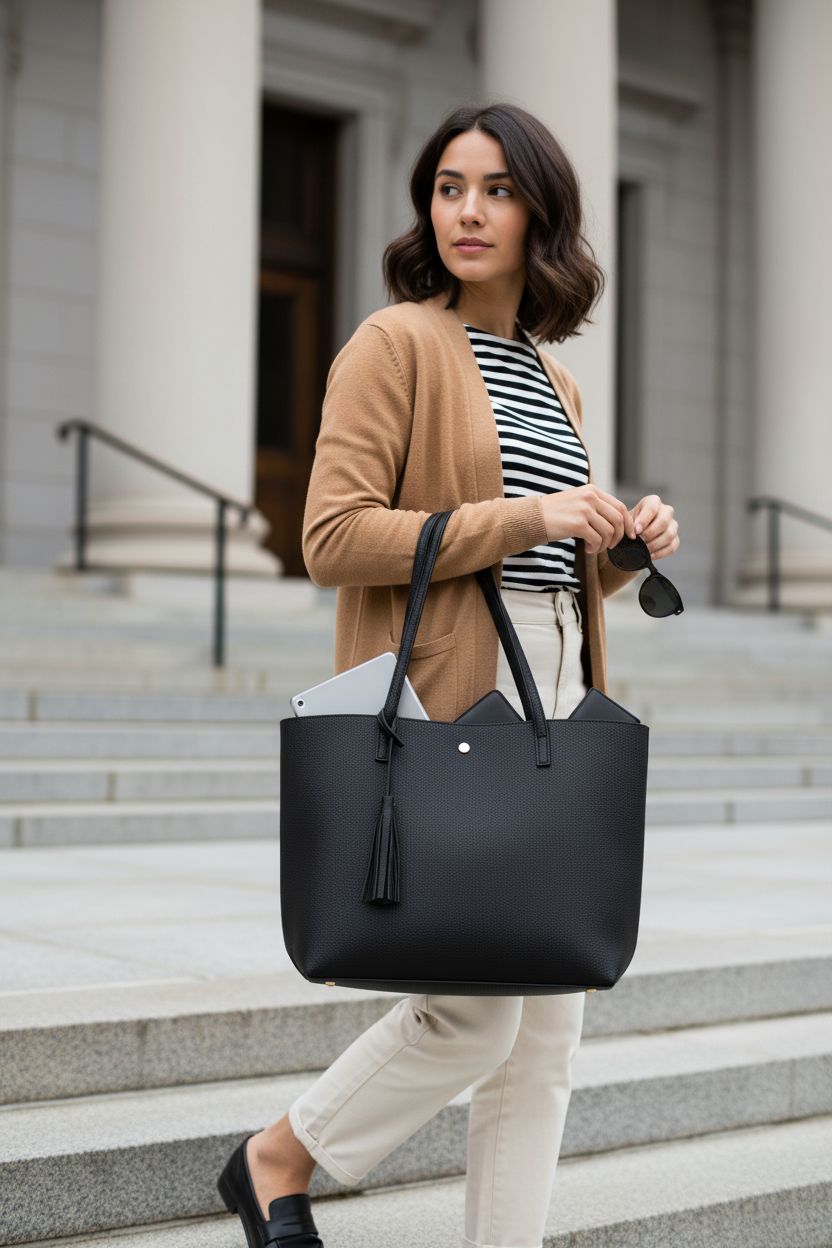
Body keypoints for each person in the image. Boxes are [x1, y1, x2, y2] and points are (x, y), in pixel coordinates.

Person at [217, 101, 680, 1248]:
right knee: (473, 1016)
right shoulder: (395, 343)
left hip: (551, 694)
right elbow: (331, 537)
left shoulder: (551, 377)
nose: (468, 211)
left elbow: (539, 573)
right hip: (441, 698)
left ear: (542, 216)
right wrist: (522, 514)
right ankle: (277, 1156)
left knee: (545, 1039)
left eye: (497, 190)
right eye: (448, 187)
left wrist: (615, 552)